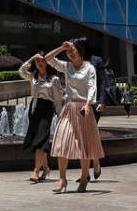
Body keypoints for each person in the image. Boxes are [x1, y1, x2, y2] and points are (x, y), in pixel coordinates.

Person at [46, 38, 104, 193]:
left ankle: (84, 177)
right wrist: (61, 47)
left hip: (83, 109)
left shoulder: (89, 68)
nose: (70, 54)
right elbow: (48, 59)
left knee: (84, 146)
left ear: (81, 52)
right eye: (68, 52)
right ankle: (62, 178)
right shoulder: (67, 66)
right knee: (62, 141)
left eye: (73, 51)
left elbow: (92, 87)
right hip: (69, 107)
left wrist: (87, 104)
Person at [18, 52, 63, 182]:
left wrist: (60, 116)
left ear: (47, 63)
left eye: (42, 60)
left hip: (47, 109)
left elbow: (58, 99)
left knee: (41, 140)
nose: (39, 63)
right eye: (37, 61)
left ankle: (36, 171)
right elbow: (21, 70)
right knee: (37, 140)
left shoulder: (54, 79)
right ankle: (46, 168)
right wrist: (32, 58)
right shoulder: (33, 76)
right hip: (34, 108)